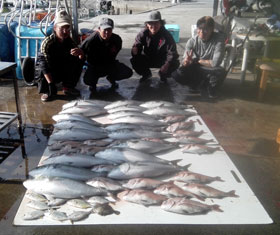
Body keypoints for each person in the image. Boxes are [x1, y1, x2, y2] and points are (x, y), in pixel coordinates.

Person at [172, 16, 226, 98]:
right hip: (196, 68)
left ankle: (207, 86)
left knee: (220, 72)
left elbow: (215, 63)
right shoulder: (192, 41)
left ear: (212, 29)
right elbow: (185, 60)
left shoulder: (219, 39)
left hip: (210, 70)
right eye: (199, 29)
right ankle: (195, 84)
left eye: (205, 29)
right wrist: (186, 63)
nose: (202, 32)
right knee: (176, 74)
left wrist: (197, 60)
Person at [36, 10, 84, 102]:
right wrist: (50, 83)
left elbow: (80, 60)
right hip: (50, 69)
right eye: (61, 28)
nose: (65, 31)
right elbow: (43, 64)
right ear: (55, 28)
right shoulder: (47, 42)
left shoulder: (70, 41)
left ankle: (68, 87)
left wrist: (80, 53)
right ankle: (47, 90)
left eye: (67, 28)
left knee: (78, 62)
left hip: (61, 68)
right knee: (41, 67)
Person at [80, 17, 133, 92]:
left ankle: (111, 78)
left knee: (128, 72)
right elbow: (81, 53)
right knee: (87, 80)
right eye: (104, 30)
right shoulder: (90, 40)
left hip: (109, 64)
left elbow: (115, 53)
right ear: (99, 29)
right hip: (95, 66)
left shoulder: (117, 39)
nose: (107, 32)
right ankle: (93, 84)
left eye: (109, 29)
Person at [130, 11, 180, 83]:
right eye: (150, 23)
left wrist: (167, 64)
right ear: (147, 24)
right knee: (134, 60)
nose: (153, 26)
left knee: (175, 63)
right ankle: (146, 74)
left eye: (156, 23)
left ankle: (163, 75)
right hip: (148, 58)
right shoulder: (142, 33)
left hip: (162, 59)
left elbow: (172, 52)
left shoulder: (167, 35)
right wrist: (135, 51)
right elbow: (137, 45)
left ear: (161, 23)